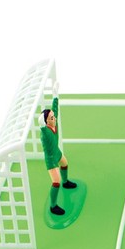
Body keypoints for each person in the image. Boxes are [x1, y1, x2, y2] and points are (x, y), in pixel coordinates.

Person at [39, 82, 77, 216]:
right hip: (51, 160)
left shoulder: (54, 124)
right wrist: (41, 124)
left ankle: (66, 182)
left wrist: (55, 95)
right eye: (51, 118)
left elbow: (55, 108)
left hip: (57, 152)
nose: (54, 118)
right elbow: (43, 130)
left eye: (53, 116)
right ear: (46, 122)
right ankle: (53, 206)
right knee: (56, 181)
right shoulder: (45, 133)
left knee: (65, 163)